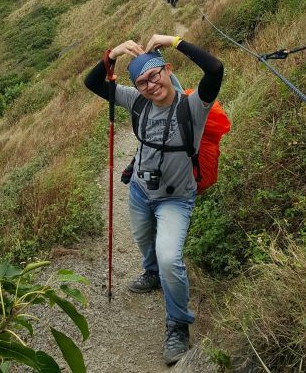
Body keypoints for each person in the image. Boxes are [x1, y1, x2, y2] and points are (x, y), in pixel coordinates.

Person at [84, 33, 224, 364]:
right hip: (140, 191)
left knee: (169, 259)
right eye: (143, 81)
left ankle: (178, 325)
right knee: (145, 241)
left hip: (175, 199)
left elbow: (215, 69)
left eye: (155, 75)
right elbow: (93, 83)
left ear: (167, 70)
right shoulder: (138, 101)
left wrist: (173, 39)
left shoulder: (194, 106)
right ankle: (150, 273)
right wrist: (113, 52)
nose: (150, 85)